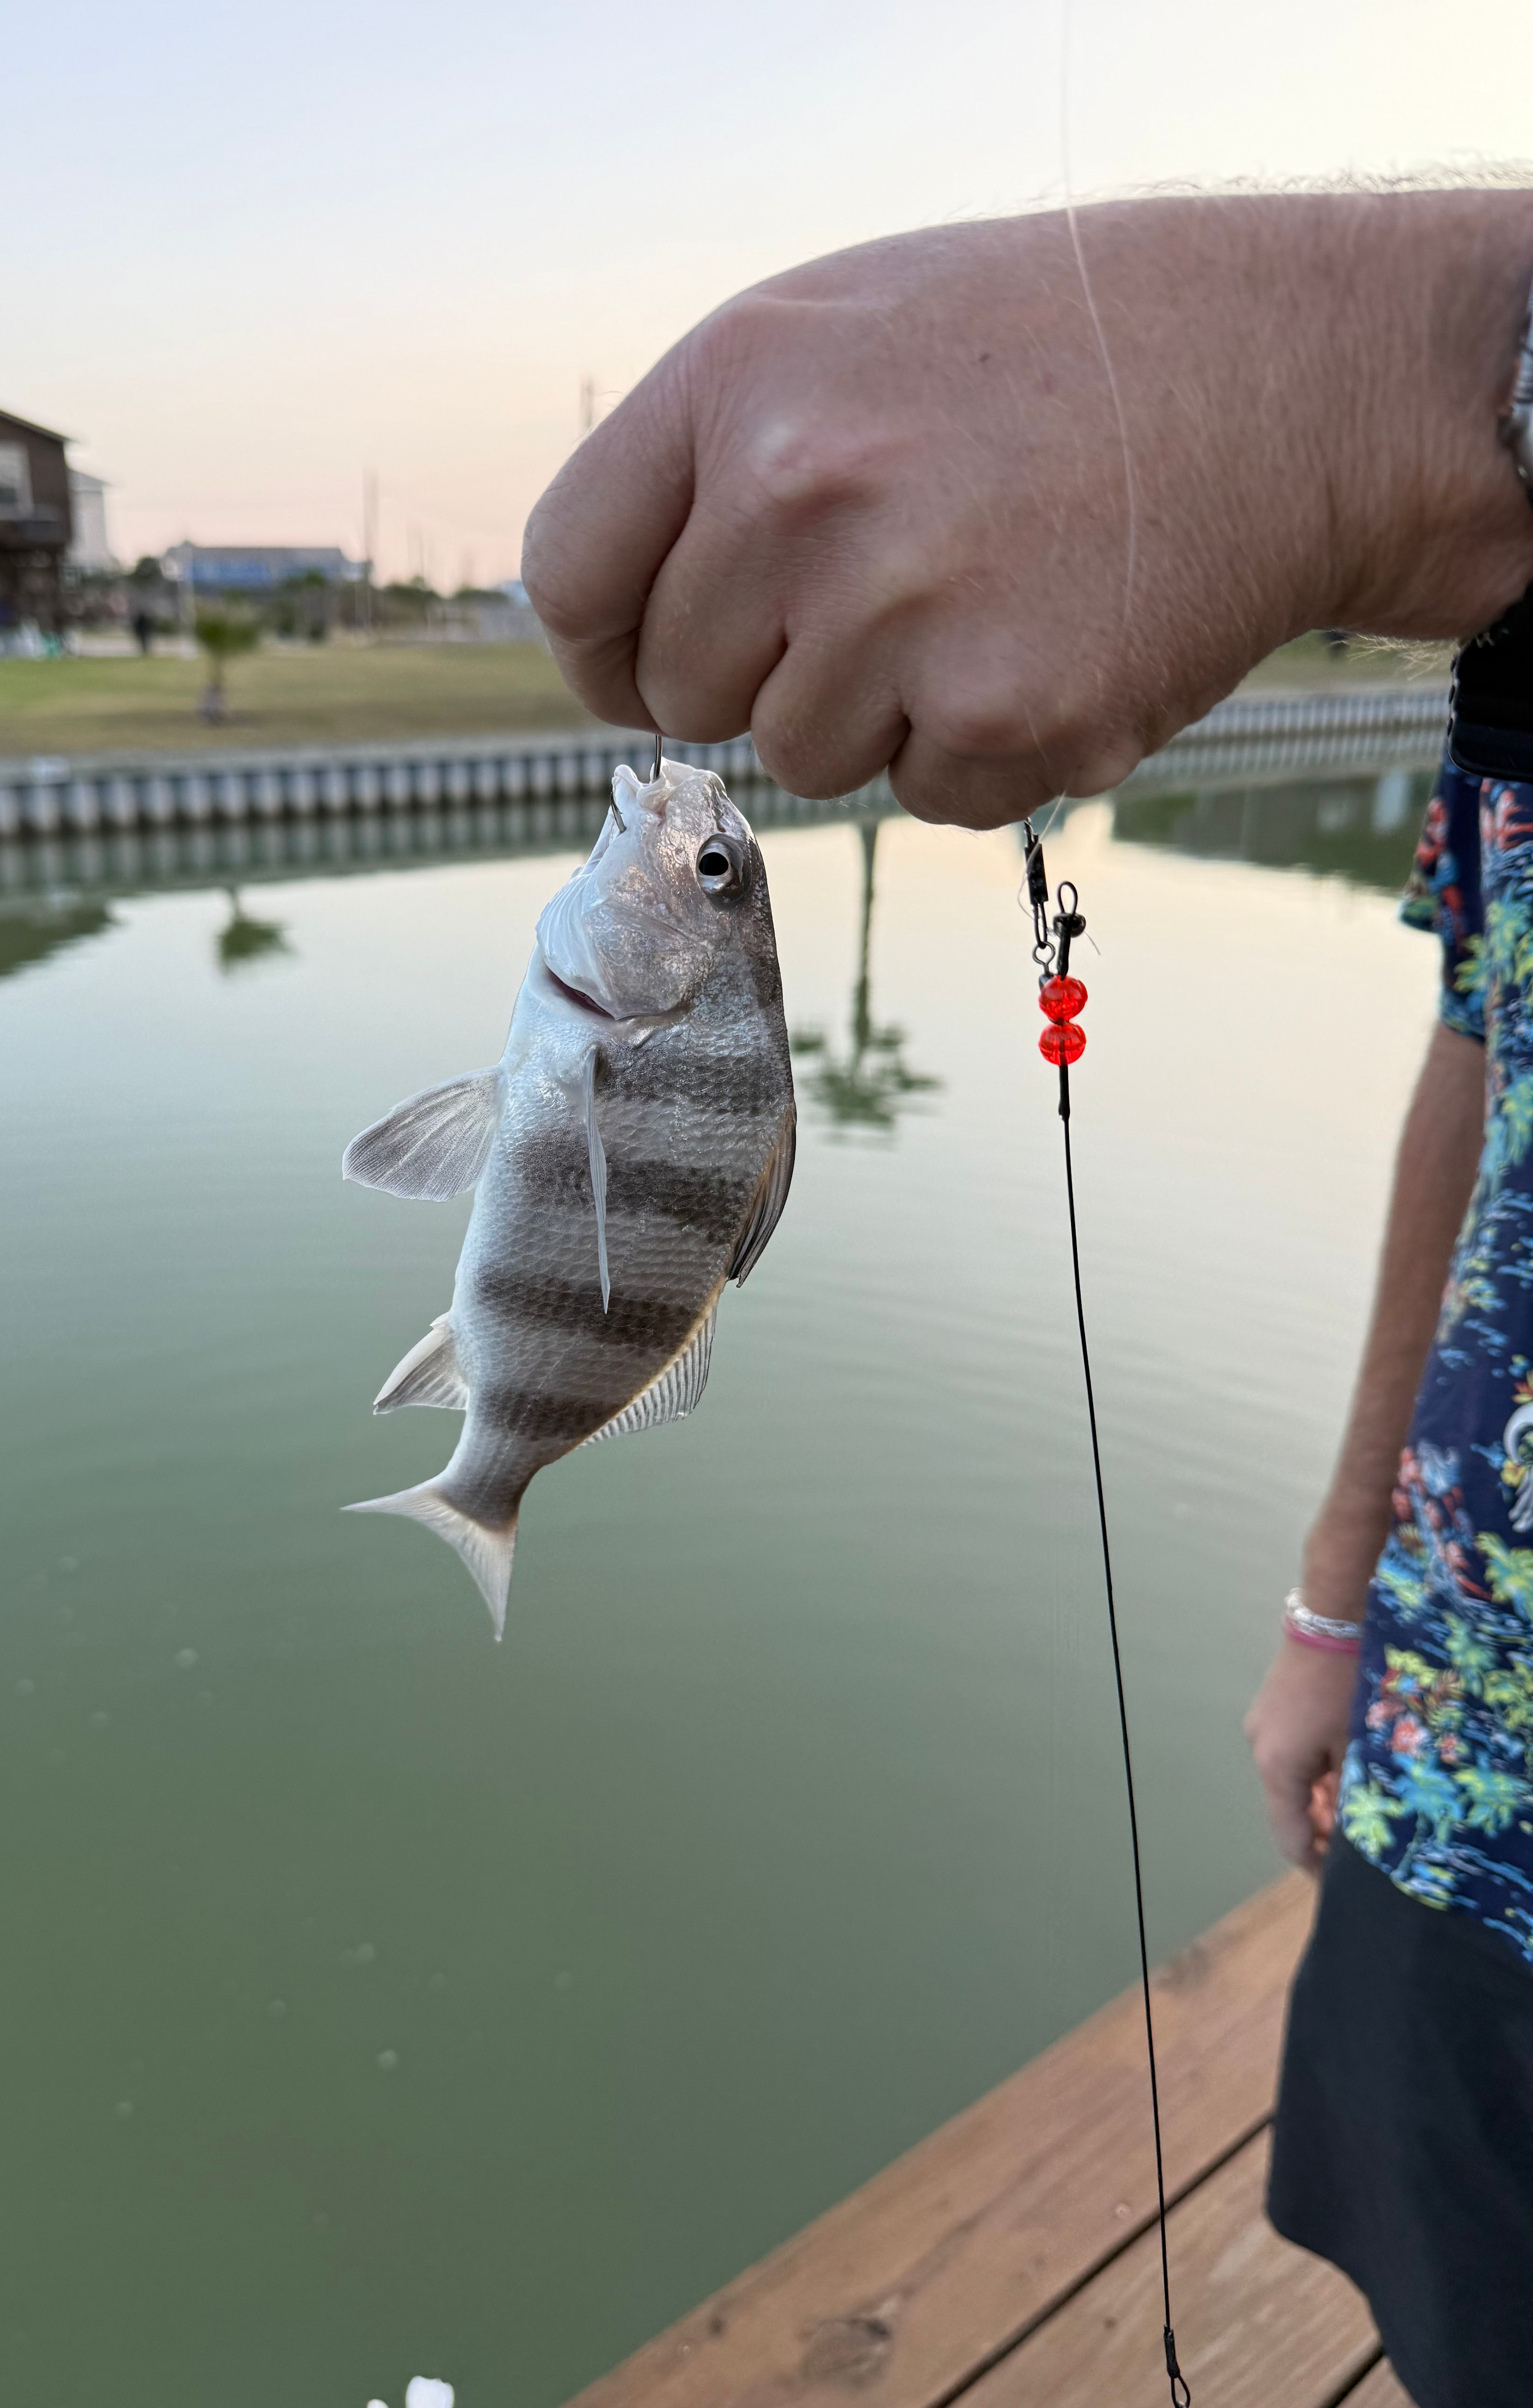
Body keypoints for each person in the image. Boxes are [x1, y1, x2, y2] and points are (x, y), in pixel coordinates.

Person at [522, 190, 1533, 2408]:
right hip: (1465, 1771)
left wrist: (1443, 364)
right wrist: (1341, 1602)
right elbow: (1495, 1036)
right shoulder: (1520, 654)